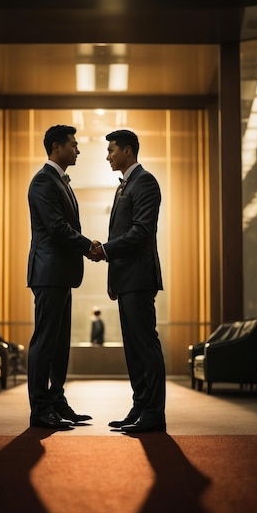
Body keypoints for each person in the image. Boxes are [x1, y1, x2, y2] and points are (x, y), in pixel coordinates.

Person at [89, 129, 166, 433]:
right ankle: (140, 407)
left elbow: (141, 231)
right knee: (133, 349)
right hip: (125, 279)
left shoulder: (144, 181)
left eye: (111, 150)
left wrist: (105, 251)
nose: (108, 156)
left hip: (139, 278)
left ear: (128, 151)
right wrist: (112, 277)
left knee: (146, 346)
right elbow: (119, 234)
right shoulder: (124, 186)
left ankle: (154, 415)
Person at [27, 124, 94, 430]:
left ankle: (56, 400)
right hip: (49, 272)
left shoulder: (60, 181)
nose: (78, 149)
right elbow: (56, 226)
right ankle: (40, 409)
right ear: (57, 147)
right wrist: (87, 246)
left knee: (59, 342)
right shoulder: (43, 181)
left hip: (61, 274)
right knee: (45, 342)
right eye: (73, 144)